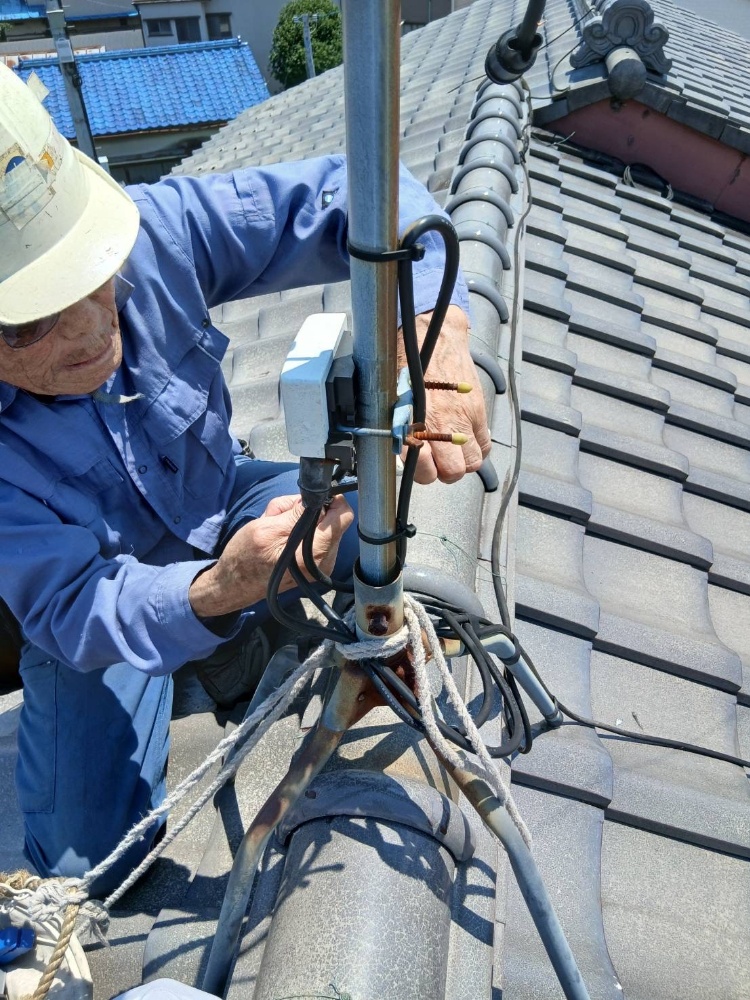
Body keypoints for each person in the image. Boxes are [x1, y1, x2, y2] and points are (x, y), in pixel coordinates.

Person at [0, 66, 490, 896]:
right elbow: (72, 604)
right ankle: (226, 631)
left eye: (95, 273)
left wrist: (438, 331)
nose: (88, 331)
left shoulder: (154, 229)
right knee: (91, 869)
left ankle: (235, 635)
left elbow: (360, 190)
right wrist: (220, 588)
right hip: (102, 598)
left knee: (378, 520)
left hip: (223, 499)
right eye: (30, 323)